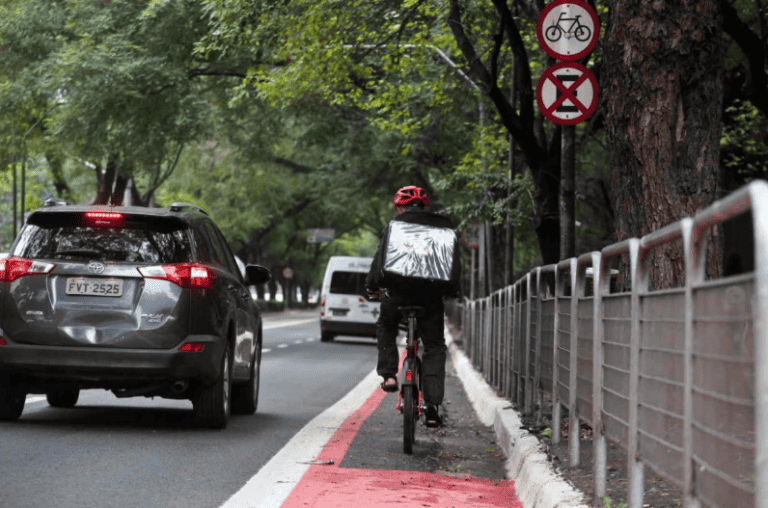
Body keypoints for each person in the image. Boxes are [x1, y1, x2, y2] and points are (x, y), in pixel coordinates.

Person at [365, 185, 461, 428]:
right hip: (430, 298)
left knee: (386, 325)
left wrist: (373, 286)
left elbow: (380, 262)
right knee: (435, 347)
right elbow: (454, 265)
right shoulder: (443, 226)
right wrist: (451, 292)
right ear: (424, 204)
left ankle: (388, 375)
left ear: (400, 206)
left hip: (397, 295)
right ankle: (432, 407)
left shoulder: (393, 227)